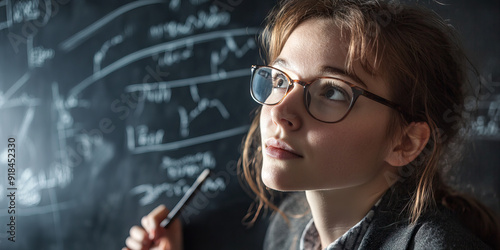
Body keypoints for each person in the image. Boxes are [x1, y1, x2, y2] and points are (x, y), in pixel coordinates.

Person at [124, 0, 500, 249]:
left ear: (405, 143)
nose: (280, 111)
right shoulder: (290, 229)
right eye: (280, 80)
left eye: (332, 92)